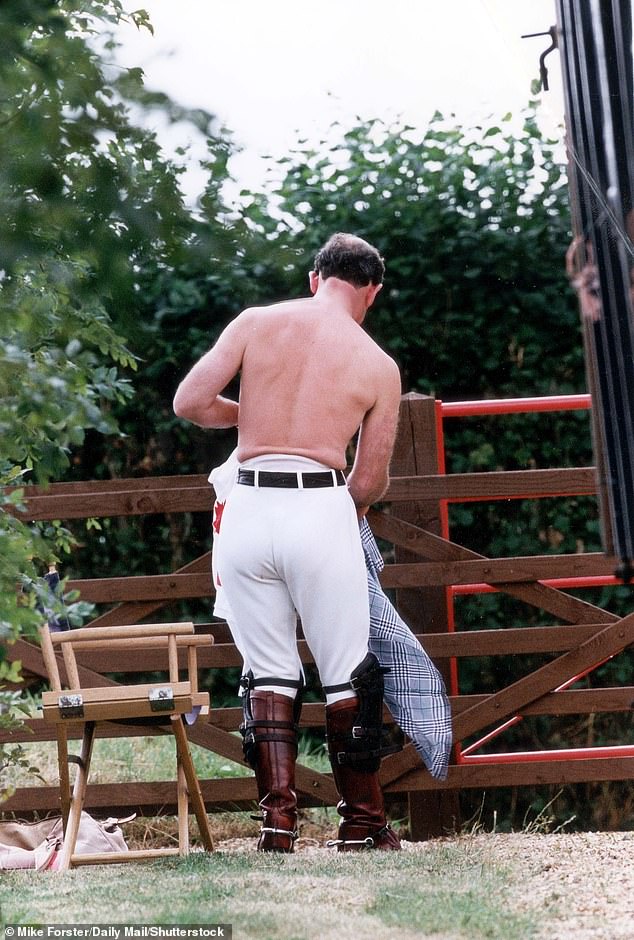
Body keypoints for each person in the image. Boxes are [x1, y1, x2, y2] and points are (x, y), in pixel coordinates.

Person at [173, 232, 403, 853]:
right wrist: (334, 508)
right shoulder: (378, 364)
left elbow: (190, 402)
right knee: (347, 674)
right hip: (320, 503)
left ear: (314, 278)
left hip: (246, 508)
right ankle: (361, 823)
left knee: (269, 671)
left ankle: (278, 824)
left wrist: (247, 416)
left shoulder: (255, 323)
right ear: (371, 293)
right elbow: (371, 480)